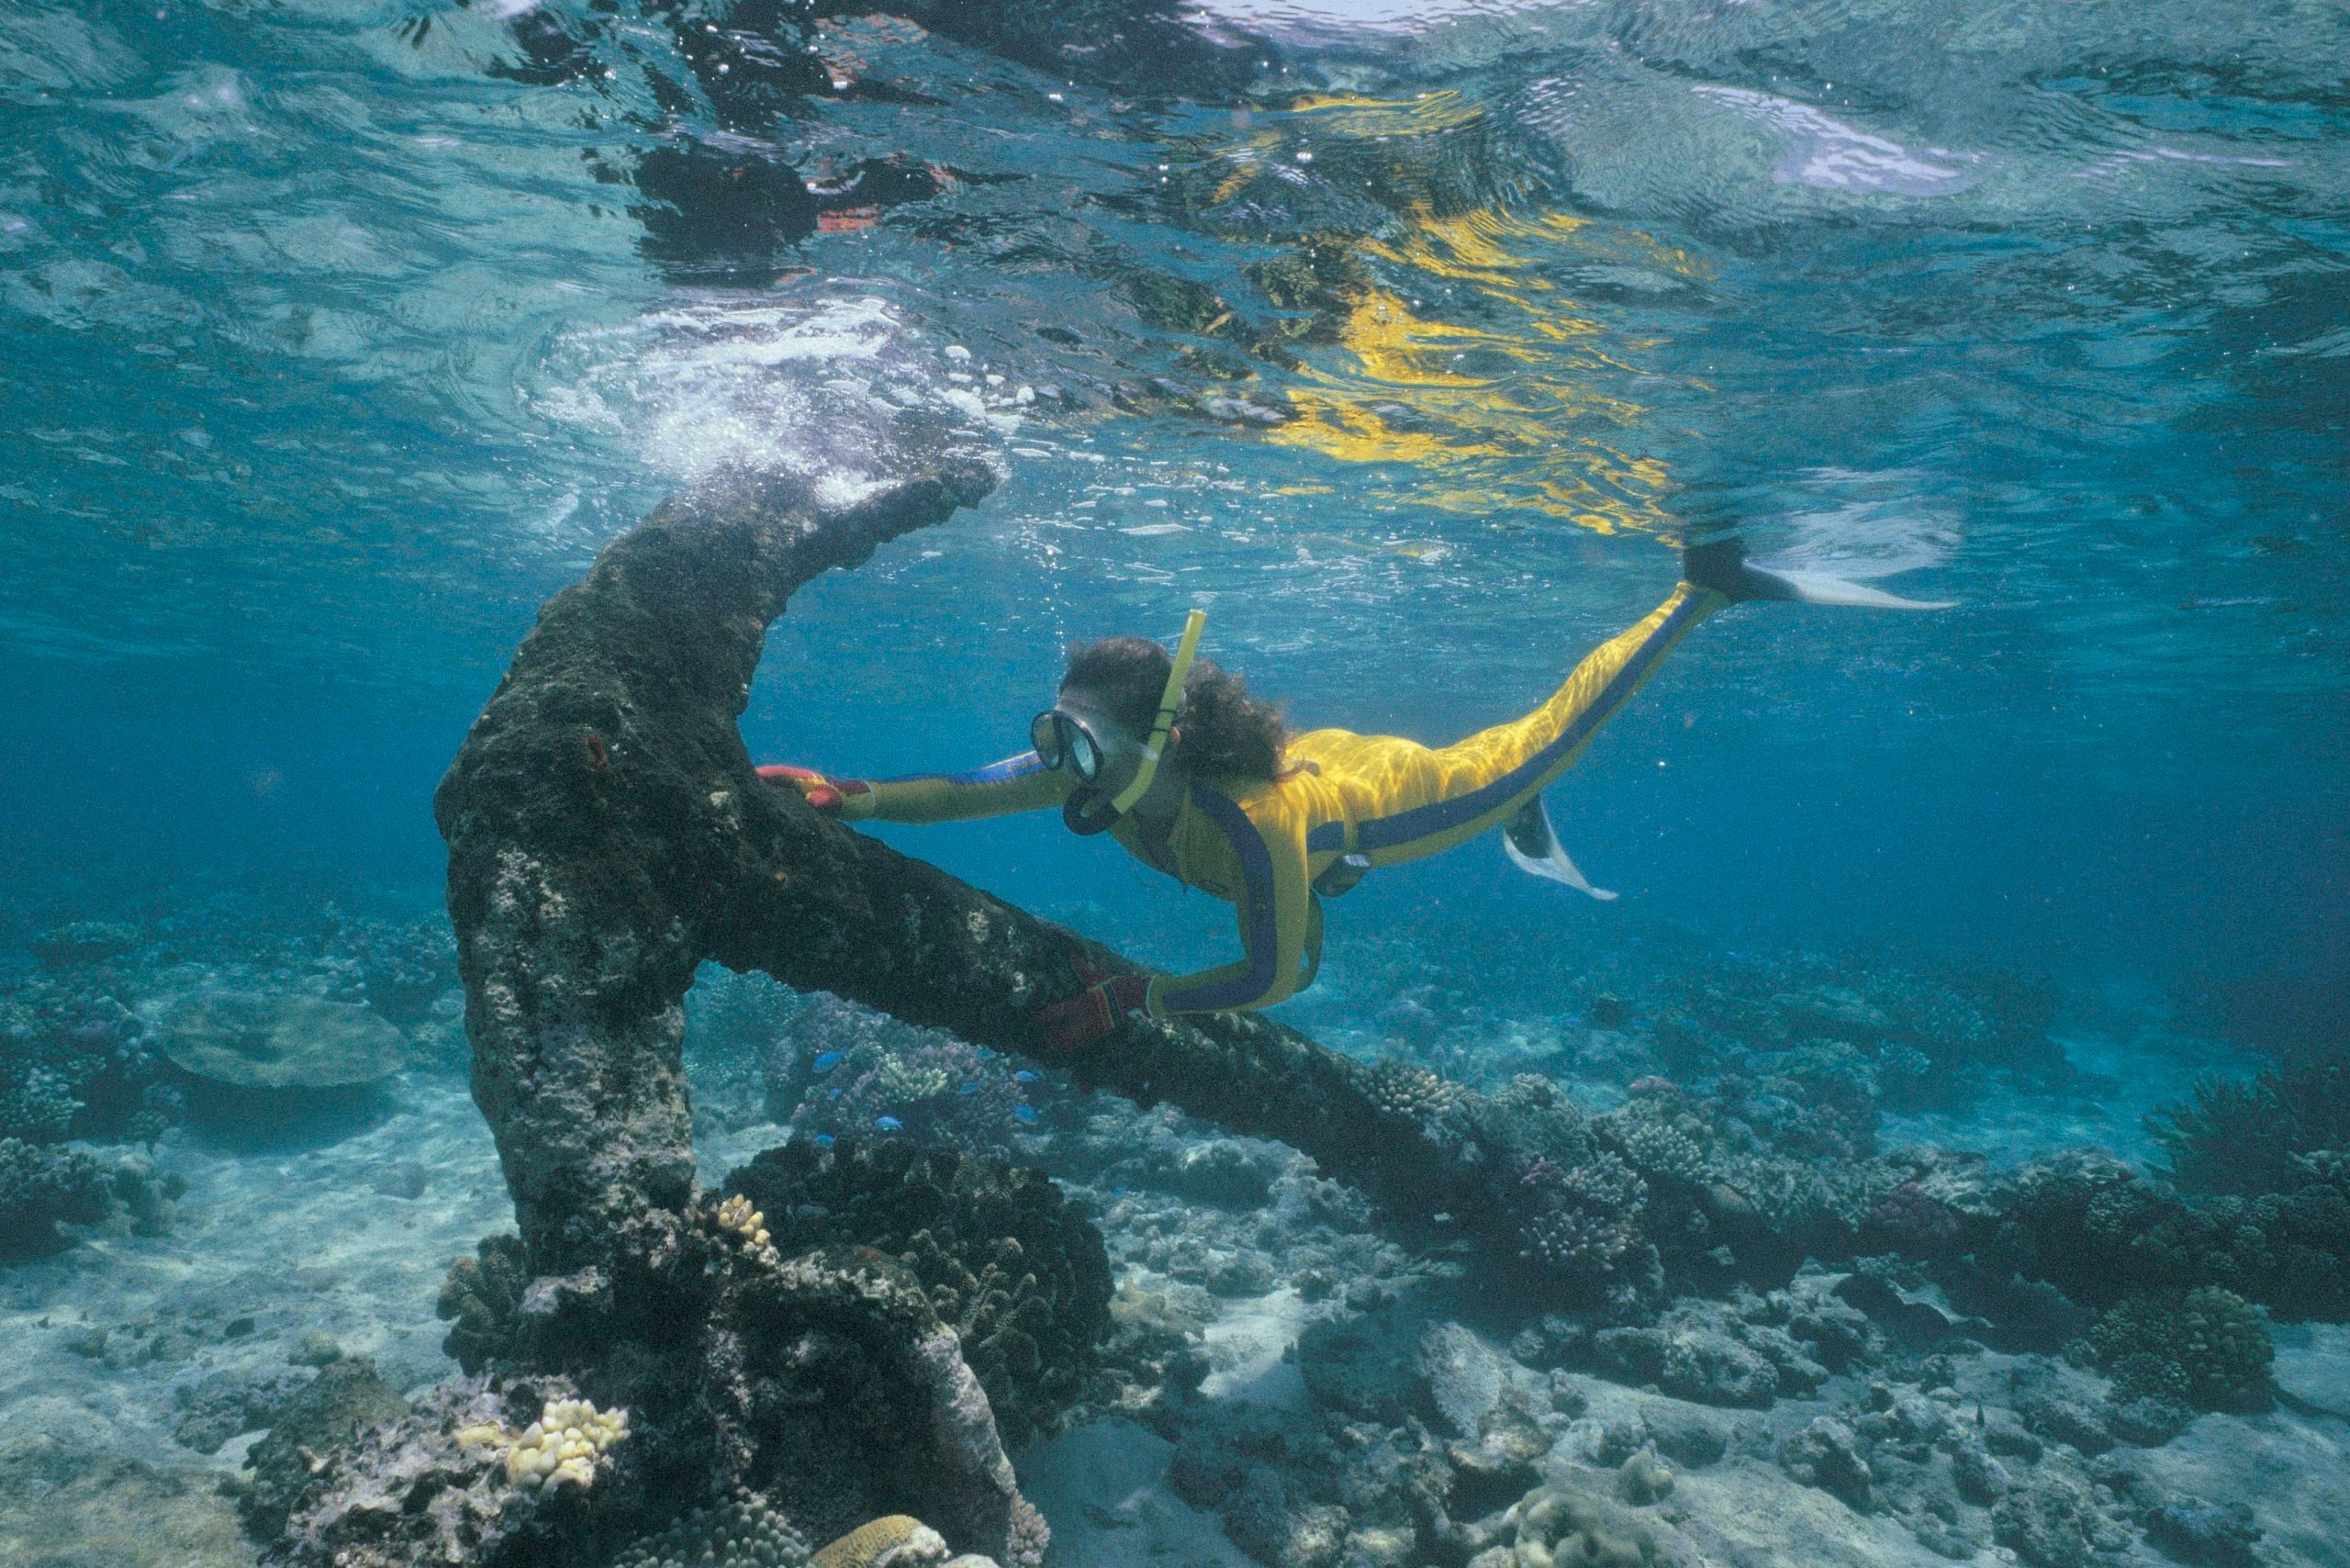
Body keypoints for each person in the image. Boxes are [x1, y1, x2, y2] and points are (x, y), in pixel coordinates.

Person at [762, 539, 1948, 1054]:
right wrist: (850, 797)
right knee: (1318, 850)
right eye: (1050, 736)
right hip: (1313, 765)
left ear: (1158, 742)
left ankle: (1703, 594)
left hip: (1378, 808)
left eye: (1075, 742)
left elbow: (1282, 975)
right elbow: (966, 793)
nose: (1051, 764)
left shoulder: (1248, 826)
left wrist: (1138, 1001)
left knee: (1535, 747)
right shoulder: (1113, 775)